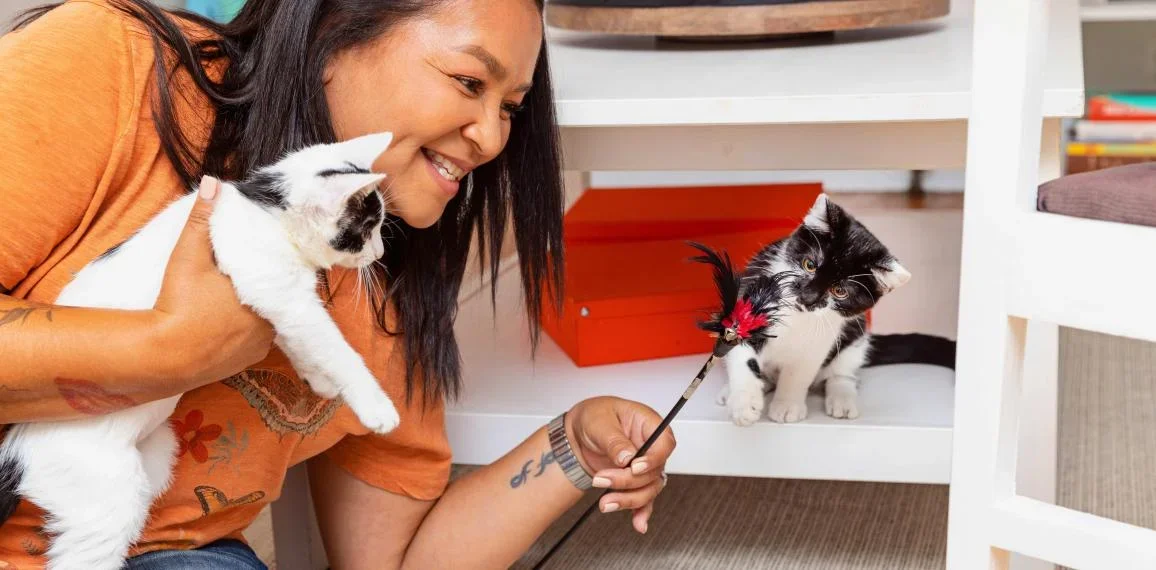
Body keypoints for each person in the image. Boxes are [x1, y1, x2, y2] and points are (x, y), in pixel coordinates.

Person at [0, 0, 677, 567]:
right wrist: (166, 350)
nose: (493, 138)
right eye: (471, 83)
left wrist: (572, 446)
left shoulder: (382, 274)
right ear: (332, 34)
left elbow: (399, 563)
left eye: (512, 107)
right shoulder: (117, 65)